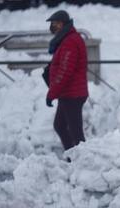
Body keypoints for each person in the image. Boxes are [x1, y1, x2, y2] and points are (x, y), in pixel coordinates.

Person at [45, 10, 88, 152]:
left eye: (54, 23)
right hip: (68, 93)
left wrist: (51, 93)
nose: (52, 26)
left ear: (62, 23)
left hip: (73, 95)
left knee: (76, 133)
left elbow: (64, 71)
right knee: (60, 126)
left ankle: (82, 162)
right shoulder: (66, 39)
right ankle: (74, 158)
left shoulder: (70, 41)